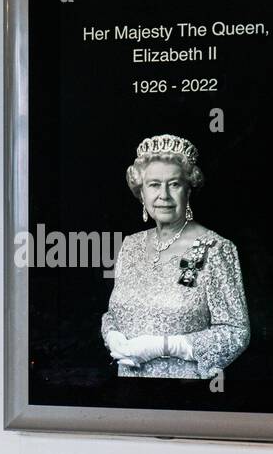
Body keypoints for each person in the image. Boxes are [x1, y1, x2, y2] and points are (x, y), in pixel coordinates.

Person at [101, 134, 249, 379]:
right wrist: (111, 335)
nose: (164, 195)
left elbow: (236, 332)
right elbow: (113, 314)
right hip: (127, 390)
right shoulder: (130, 245)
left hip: (184, 394)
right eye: (154, 184)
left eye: (175, 184)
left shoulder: (214, 248)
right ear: (141, 191)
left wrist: (167, 346)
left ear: (189, 189)